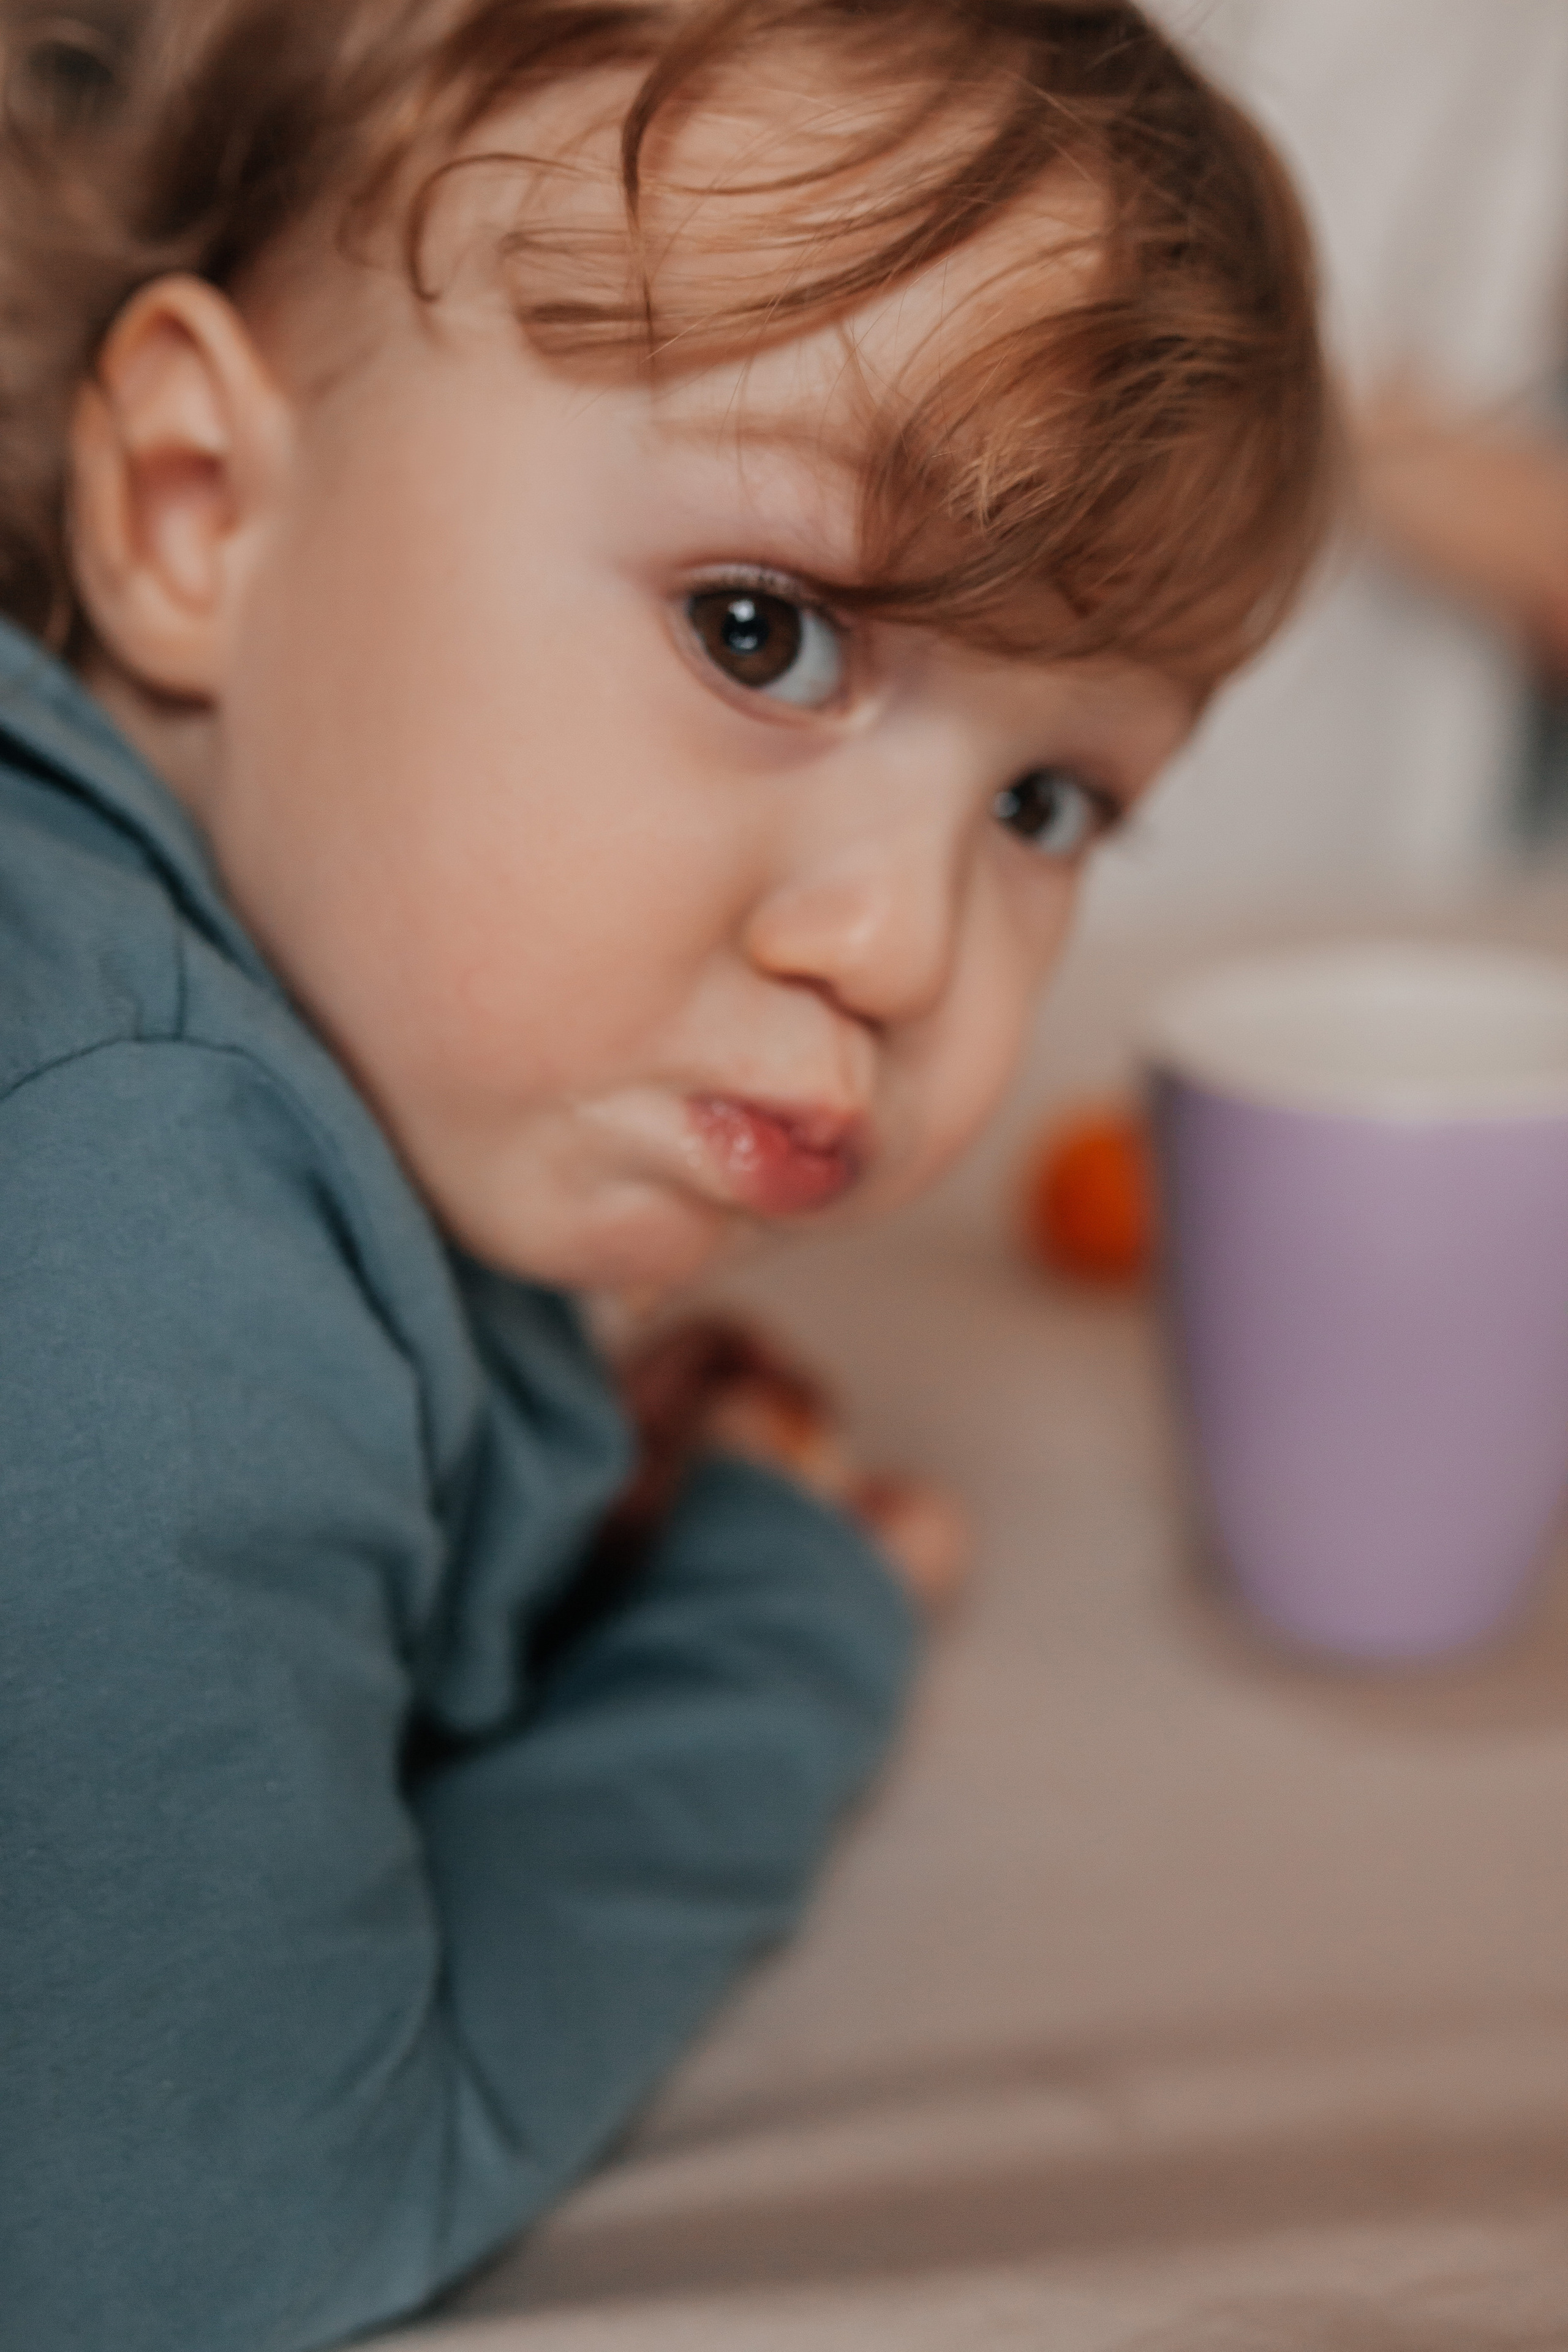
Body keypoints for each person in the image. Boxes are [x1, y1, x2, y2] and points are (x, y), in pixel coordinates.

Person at [0, 3, 1330, 2345]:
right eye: (763, 631)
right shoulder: (119, 1205)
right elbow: (214, 2234)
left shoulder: (279, 1053)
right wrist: (768, 1620)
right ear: (198, 509)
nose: (907, 949)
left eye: (1048, 806)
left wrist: (534, 1480)